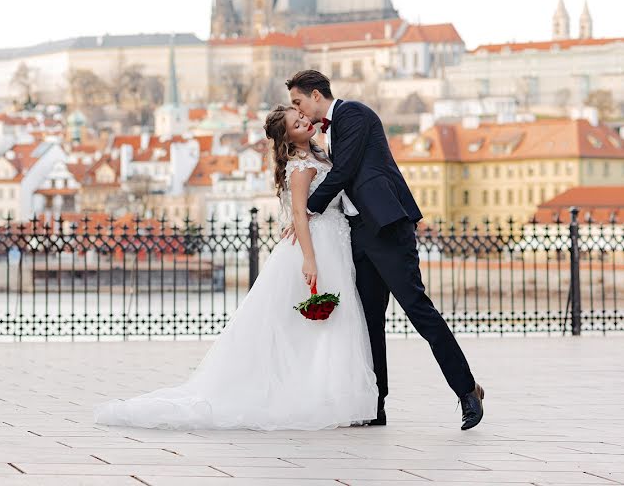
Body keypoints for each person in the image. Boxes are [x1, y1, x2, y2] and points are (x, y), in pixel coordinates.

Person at [94, 105, 378, 430]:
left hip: (333, 238)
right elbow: (299, 213)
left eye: (302, 118)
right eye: (297, 123)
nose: (304, 122)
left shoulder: (319, 155)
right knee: (318, 323)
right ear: (288, 138)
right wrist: (309, 259)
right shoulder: (301, 167)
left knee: (328, 323)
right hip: (318, 245)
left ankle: (328, 391)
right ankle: (315, 393)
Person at [285, 69, 484, 430]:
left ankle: (467, 390)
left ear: (316, 96)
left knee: (418, 311)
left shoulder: (353, 114)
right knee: (369, 323)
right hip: (358, 233)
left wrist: (308, 209)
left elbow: (345, 171)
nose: (297, 110)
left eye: (298, 101)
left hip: (387, 228)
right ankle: (375, 405)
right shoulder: (322, 136)